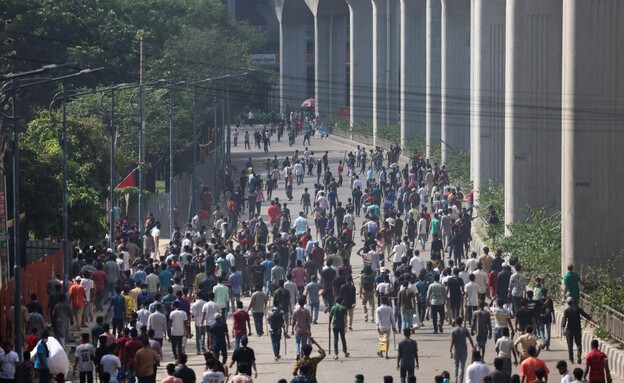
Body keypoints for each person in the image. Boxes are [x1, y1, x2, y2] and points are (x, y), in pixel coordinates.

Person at [562, 297, 591, 364]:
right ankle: (579, 352)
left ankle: (571, 360)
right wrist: (593, 320)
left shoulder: (566, 311)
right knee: (578, 343)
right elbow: (585, 315)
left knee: (570, 345)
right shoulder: (578, 309)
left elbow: (564, 320)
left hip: (569, 329)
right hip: (577, 328)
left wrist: (562, 329)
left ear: (568, 303)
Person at [450, 317, 475, 383]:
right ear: (462, 322)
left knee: (456, 366)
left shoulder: (453, 331)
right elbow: (470, 339)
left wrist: (450, 351)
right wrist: (473, 347)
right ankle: (461, 381)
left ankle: (456, 380)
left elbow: (452, 342)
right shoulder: (465, 330)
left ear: (456, 322)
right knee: (462, 367)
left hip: (456, 351)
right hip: (464, 350)